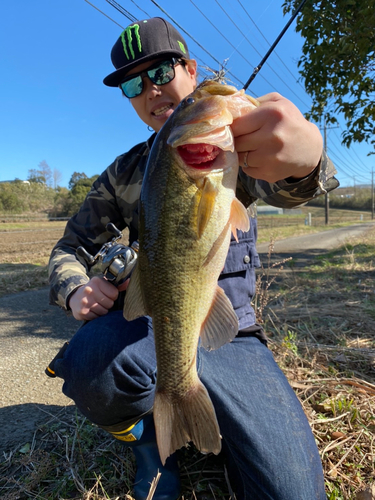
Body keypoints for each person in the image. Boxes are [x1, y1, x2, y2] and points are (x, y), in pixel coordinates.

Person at [48, 17, 338, 500]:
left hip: (234, 333)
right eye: (132, 84)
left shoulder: (236, 146)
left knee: (293, 492)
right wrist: (76, 287)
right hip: (155, 327)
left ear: (190, 67)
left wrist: (308, 157)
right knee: (91, 362)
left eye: (161, 72)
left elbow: (292, 185)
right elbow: (68, 248)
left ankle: (222, 435)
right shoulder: (122, 172)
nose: (150, 91)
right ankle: (149, 442)